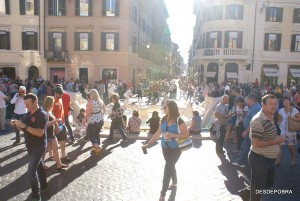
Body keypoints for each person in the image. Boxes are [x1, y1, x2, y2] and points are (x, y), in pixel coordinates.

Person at [142, 100, 189, 201]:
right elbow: (158, 133)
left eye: (165, 107)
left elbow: (186, 134)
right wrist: (148, 144)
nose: (163, 109)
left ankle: (162, 194)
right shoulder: (163, 119)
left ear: (170, 109)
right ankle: (175, 182)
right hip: (165, 148)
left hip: (176, 149)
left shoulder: (179, 120)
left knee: (167, 168)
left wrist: (174, 135)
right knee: (170, 165)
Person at [246, 94, 284, 201]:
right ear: (263, 105)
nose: (273, 106)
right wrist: (275, 141)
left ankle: (248, 192)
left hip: (270, 159)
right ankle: (251, 195)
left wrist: (277, 140)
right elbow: (256, 143)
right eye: (270, 104)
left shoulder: (271, 116)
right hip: (259, 158)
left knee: (268, 183)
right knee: (258, 189)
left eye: (275, 104)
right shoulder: (258, 120)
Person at [13, 93, 48, 201]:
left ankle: (36, 196)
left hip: (39, 146)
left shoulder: (42, 114)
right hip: (30, 146)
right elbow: (24, 129)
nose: (26, 106)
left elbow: (39, 133)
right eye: (25, 104)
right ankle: (44, 186)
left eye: (28, 104)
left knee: (31, 171)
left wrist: (24, 126)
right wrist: (16, 125)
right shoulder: (28, 114)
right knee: (39, 166)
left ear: (35, 102)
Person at [232, 92, 261, 168]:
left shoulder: (255, 107)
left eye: (247, 98)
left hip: (251, 131)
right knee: (247, 146)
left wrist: (247, 130)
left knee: (245, 146)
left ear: (251, 99)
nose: (246, 100)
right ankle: (245, 161)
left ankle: (241, 162)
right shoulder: (255, 106)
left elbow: (255, 122)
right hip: (251, 130)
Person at [42, 96, 68, 170]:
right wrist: (56, 121)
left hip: (51, 134)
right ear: (50, 103)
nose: (53, 104)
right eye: (53, 103)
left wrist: (57, 125)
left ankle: (59, 164)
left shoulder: (48, 111)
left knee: (55, 149)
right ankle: (41, 164)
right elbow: (46, 124)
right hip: (46, 134)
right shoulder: (45, 112)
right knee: (43, 152)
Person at [276, 97, 300, 166]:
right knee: (279, 145)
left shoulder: (294, 110)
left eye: (287, 101)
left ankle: (293, 158)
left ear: (290, 102)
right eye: (284, 101)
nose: (285, 103)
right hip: (282, 130)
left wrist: (292, 117)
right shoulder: (281, 110)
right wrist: (276, 129)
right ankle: (278, 160)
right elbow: (279, 120)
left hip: (291, 130)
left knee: (290, 147)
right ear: (282, 103)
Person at [52, 87, 70, 161]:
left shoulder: (60, 99)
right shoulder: (52, 101)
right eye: (60, 94)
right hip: (55, 124)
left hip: (61, 124)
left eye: (62, 94)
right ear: (55, 93)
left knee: (62, 140)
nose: (61, 95)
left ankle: (63, 155)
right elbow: (51, 114)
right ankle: (52, 155)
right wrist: (55, 125)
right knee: (53, 142)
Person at [85, 89, 106, 156]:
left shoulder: (91, 102)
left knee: (91, 135)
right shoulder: (100, 101)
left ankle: (97, 147)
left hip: (93, 121)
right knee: (97, 134)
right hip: (100, 120)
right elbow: (104, 110)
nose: (89, 95)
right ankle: (97, 147)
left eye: (90, 94)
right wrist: (99, 114)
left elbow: (87, 113)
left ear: (92, 95)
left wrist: (85, 119)